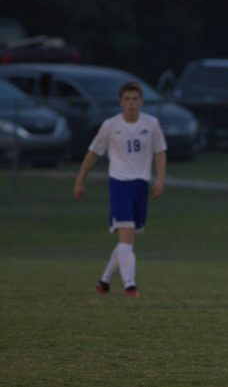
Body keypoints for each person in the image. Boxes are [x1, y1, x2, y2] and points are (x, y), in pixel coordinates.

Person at [73, 81, 167, 298]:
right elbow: (93, 153)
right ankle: (130, 285)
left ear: (141, 101)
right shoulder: (110, 125)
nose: (131, 103)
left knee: (128, 238)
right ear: (120, 102)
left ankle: (104, 282)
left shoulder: (151, 124)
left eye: (135, 99)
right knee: (126, 236)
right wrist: (80, 179)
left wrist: (160, 178)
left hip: (140, 184)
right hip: (119, 184)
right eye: (127, 99)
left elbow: (160, 152)